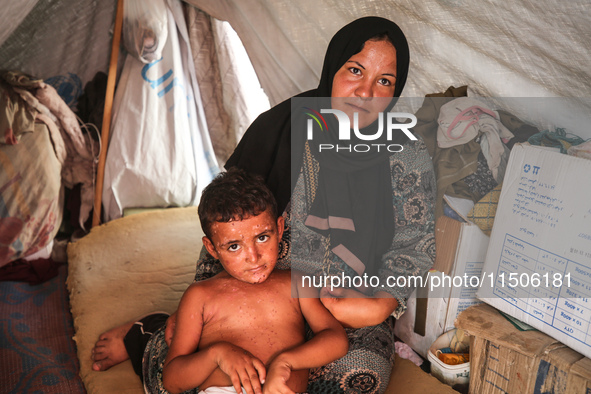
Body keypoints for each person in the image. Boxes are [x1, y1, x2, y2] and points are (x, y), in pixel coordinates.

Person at [94, 16, 436, 394]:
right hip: (259, 290)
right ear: (332, 67)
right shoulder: (278, 129)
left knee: (358, 376)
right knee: (189, 372)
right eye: (355, 70)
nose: (366, 92)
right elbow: (227, 219)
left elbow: (414, 246)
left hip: (347, 308)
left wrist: (380, 305)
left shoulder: (406, 156)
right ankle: (146, 332)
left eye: (384, 80)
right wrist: (205, 299)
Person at [92, 169, 349, 394]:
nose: (253, 256)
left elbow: (335, 338)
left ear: (279, 228)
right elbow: (173, 379)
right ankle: (146, 332)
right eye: (234, 246)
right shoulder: (201, 296)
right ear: (212, 249)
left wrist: (287, 362)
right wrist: (218, 355)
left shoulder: (295, 284)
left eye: (262, 237)